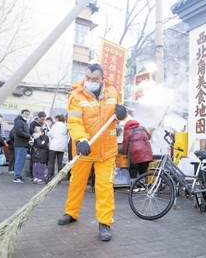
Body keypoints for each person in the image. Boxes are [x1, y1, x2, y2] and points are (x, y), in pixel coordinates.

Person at [57, 63, 127, 242]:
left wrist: (122, 113)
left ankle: (105, 223)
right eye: (87, 78)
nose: (90, 81)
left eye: (94, 79)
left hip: (107, 150)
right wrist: (80, 139)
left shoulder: (112, 92)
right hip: (84, 149)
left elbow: (119, 114)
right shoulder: (76, 95)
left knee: (104, 187)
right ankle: (71, 213)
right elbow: (73, 121)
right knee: (76, 183)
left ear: (102, 79)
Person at [121, 119, 153, 185]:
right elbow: (149, 137)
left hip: (135, 153)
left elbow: (125, 144)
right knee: (143, 169)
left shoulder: (127, 131)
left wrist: (124, 153)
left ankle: (134, 185)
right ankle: (142, 184)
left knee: (133, 169)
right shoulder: (143, 128)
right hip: (147, 153)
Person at [46, 114, 68, 182]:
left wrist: (47, 132)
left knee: (51, 162)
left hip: (54, 146)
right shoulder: (65, 126)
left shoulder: (55, 126)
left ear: (57, 119)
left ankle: (50, 176)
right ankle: (59, 178)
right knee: (60, 163)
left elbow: (50, 134)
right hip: (62, 147)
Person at [12, 109, 32, 183]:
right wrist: (28, 136)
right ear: (21, 113)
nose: (27, 115)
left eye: (28, 114)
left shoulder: (24, 122)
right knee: (19, 161)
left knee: (21, 161)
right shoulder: (19, 121)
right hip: (20, 144)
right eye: (25, 113)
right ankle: (16, 177)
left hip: (23, 144)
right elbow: (18, 131)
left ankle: (18, 175)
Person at [29, 111, 47, 179]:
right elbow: (31, 133)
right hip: (35, 145)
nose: (43, 120)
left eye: (44, 119)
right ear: (38, 118)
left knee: (41, 160)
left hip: (42, 145)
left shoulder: (44, 124)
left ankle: (39, 174)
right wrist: (37, 135)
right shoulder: (33, 124)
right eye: (42, 119)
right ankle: (32, 174)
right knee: (34, 159)